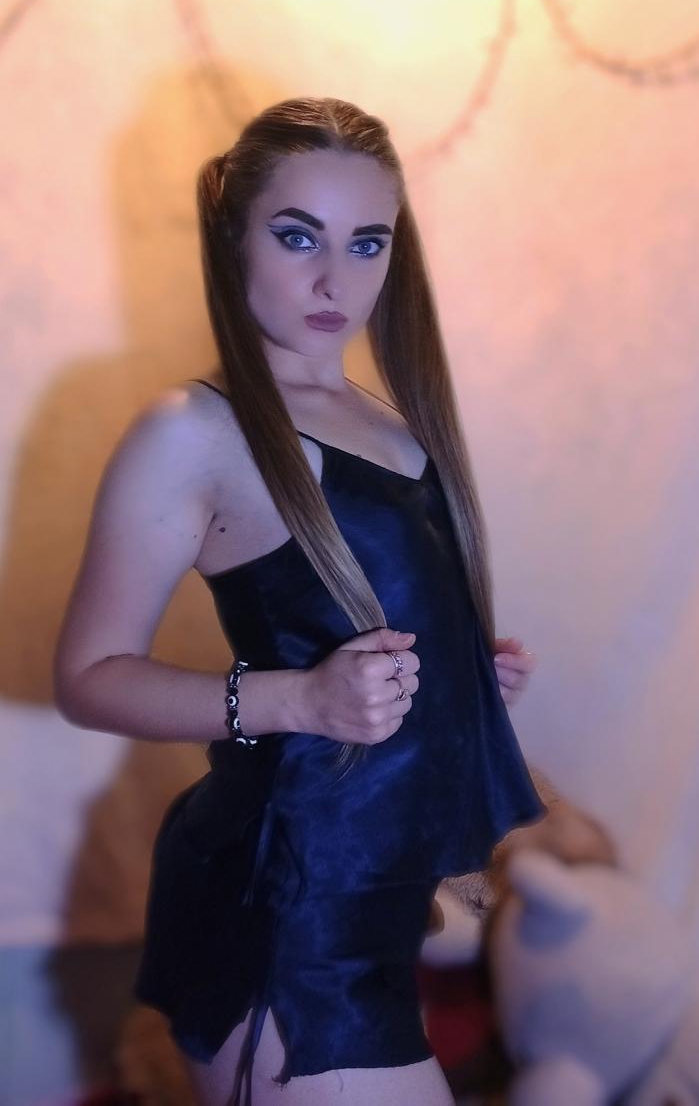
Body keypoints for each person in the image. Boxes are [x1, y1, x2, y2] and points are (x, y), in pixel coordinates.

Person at [53, 97, 545, 1104]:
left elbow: (356, 630)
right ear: (233, 235)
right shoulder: (190, 432)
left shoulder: (394, 425)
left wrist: (458, 685)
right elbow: (87, 677)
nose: (335, 279)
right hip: (284, 904)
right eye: (296, 235)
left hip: (370, 900)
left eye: (367, 242)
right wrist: (303, 699)